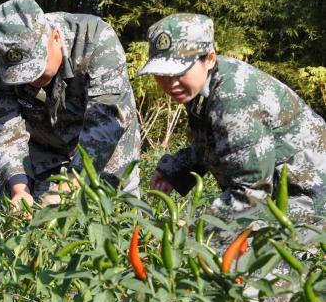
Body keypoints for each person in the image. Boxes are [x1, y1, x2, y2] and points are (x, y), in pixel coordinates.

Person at [140, 13, 326, 223]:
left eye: (179, 72)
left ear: (209, 59)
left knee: (219, 241)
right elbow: (207, 144)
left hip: (310, 197)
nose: (171, 83)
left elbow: (251, 192)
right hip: (278, 193)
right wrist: (175, 171)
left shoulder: (235, 98)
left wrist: (196, 228)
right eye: (162, 74)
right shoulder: (202, 85)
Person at [0, 0, 141, 210]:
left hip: (106, 147)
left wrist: (69, 187)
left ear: (55, 38)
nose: (31, 79)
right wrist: (19, 189)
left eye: (37, 67)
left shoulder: (95, 39)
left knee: (115, 214)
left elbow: (106, 121)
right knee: (37, 217)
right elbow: (4, 128)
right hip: (44, 150)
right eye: (20, 75)